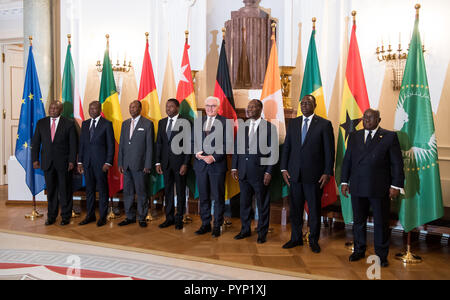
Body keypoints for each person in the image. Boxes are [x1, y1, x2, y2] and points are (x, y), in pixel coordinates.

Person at [341, 108, 404, 267]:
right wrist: (344, 182)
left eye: (370, 118)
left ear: (379, 120)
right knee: (359, 221)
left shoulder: (389, 136)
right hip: (357, 185)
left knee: (381, 222)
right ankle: (359, 250)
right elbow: (347, 160)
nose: (367, 120)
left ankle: (381, 255)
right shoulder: (354, 136)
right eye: (365, 117)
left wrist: (396, 185)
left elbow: (396, 164)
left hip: (379, 187)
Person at [280, 94, 335, 253]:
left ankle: (313, 240)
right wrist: (284, 168)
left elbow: (329, 151)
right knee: (295, 209)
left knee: (314, 210)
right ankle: (295, 238)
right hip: (294, 175)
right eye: (302, 103)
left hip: (315, 176)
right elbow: (287, 147)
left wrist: (327, 172)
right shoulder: (294, 123)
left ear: (314, 105)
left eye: (307, 103)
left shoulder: (324, 124)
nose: (304, 106)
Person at [231, 99, 277, 244]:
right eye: (248, 106)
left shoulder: (270, 128)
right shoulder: (243, 127)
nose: (249, 109)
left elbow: (273, 152)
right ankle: (245, 230)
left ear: (260, 109)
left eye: (252, 107)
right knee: (244, 203)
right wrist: (234, 167)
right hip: (243, 172)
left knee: (262, 205)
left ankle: (262, 233)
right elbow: (237, 148)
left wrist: (269, 172)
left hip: (260, 174)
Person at [31, 101, 78, 226]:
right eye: (51, 108)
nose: (52, 110)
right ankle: (51, 216)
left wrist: (72, 161)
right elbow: (35, 143)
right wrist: (35, 159)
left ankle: (65, 216)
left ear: (61, 110)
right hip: (47, 163)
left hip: (64, 164)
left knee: (65, 191)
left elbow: (73, 145)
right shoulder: (41, 123)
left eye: (55, 108)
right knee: (51, 191)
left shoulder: (69, 124)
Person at [192, 96, 228, 237]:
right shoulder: (198, 121)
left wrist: (213, 157)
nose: (210, 108)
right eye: (207, 105)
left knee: (218, 197)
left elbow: (227, 143)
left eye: (213, 106)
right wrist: (197, 154)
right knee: (204, 196)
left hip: (217, 165)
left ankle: (217, 225)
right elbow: (191, 140)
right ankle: (205, 224)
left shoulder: (225, 122)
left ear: (218, 107)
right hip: (200, 165)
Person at [156, 98, 192, 230]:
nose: (168, 109)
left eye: (171, 106)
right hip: (165, 163)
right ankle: (169, 218)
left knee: (181, 192)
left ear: (177, 108)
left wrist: (186, 163)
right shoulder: (162, 122)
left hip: (180, 164)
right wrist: (158, 162)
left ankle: (179, 218)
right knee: (168, 191)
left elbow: (189, 144)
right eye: (167, 106)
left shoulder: (186, 122)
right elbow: (159, 143)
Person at [77, 101, 115, 227]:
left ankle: (102, 216)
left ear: (99, 110)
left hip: (101, 164)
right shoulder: (85, 123)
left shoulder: (107, 124)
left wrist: (108, 162)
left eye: (95, 108)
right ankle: (90, 215)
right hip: (87, 163)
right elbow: (82, 144)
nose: (92, 110)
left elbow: (111, 145)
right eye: (90, 108)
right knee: (89, 191)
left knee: (103, 190)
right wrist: (80, 161)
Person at [118, 100, 154, 228]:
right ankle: (129, 217)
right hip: (126, 165)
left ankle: (142, 217)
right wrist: (120, 162)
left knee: (142, 192)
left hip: (140, 165)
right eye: (130, 107)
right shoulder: (125, 124)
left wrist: (148, 164)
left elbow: (150, 147)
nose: (132, 109)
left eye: (134, 107)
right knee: (127, 192)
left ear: (140, 108)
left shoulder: (148, 124)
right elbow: (122, 144)